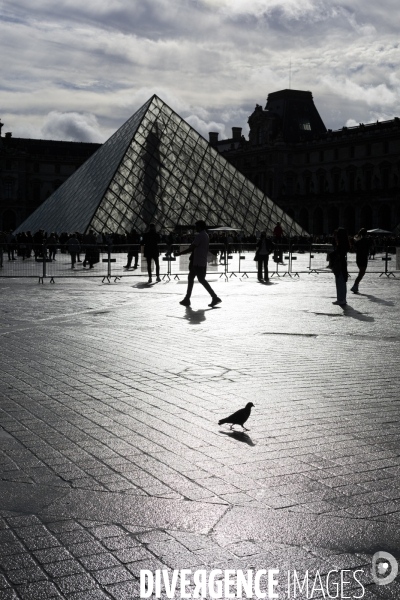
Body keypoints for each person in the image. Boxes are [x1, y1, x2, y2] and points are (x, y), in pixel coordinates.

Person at [175, 220, 221, 307]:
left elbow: (192, 248)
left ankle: (214, 297)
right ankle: (187, 299)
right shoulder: (206, 235)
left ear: (200, 226)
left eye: (197, 226)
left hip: (198, 262)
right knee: (191, 277)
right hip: (200, 261)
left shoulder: (200, 236)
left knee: (201, 280)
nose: (196, 228)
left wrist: (180, 253)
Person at [332, 227, 350, 306]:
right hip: (342, 263)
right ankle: (342, 298)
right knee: (341, 281)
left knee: (340, 281)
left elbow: (336, 249)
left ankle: (341, 299)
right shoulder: (344, 241)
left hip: (340, 263)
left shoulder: (341, 243)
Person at [351, 228, 371, 294]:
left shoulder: (358, 241)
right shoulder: (367, 241)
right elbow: (371, 248)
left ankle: (356, 286)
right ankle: (355, 285)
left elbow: (353, 249)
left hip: (358, 257)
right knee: (361, 273)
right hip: (364, 258)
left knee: (361, 272)